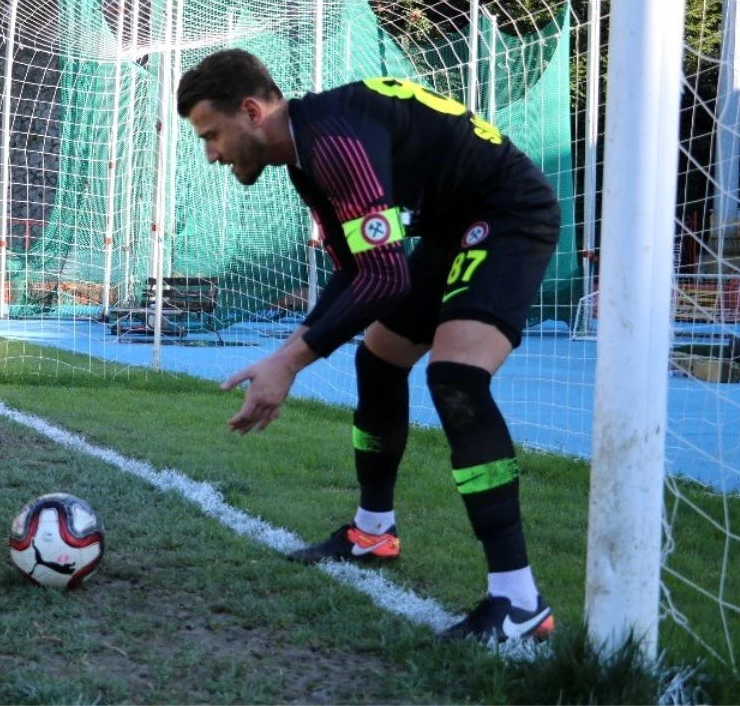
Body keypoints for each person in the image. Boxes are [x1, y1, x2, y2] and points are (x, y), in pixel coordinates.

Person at [176, 49, 560, 643]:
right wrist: (289, 352)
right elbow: (360, 269)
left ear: (251, 111)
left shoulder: (331, 142)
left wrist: (289, 362)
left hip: (507, 213)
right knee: (377, 358)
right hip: (447, 228)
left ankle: (519, 601)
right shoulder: (306, 156)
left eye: (212, 135)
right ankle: (373, 530)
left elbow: (385, 277)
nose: (211, 154)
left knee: (455, 377)